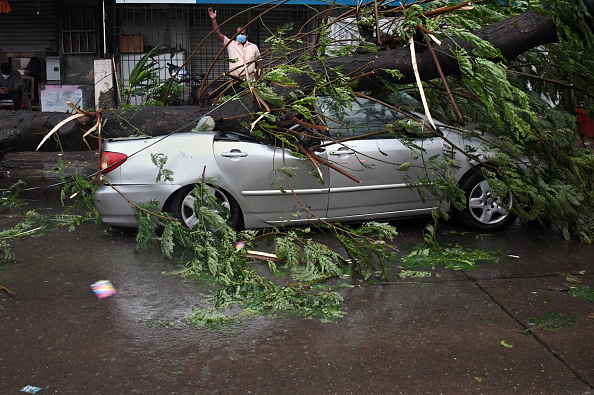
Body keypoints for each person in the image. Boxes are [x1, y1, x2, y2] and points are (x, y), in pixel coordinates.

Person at [208, 8, 262, 81]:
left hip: (250, 82)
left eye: (242, 34)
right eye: (238, 34)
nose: (240, 35)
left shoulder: (253, 47)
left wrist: (258, 78)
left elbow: (259, 64)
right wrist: (213, 20)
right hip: (235, 80)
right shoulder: (231, 44)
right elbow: (218, 34)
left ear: (247, 35)